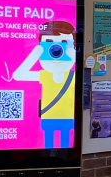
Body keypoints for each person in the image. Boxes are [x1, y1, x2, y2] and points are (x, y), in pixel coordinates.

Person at [11, 21, 76, 149]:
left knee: (65, 144)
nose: (56, 51)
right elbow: (18, 75)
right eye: (50, 43)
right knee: (48, 143)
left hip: (67, 116)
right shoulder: (46, 75)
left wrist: (73, 55)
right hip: (49, 116)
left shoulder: (72, 75)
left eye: (64, 43)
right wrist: (36, 52)